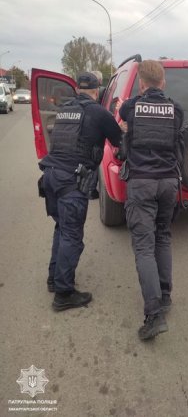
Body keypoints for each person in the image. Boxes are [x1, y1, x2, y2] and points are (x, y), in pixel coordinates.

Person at [39, 72, 122, 311]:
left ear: (77, 90)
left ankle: (54, 279)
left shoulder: (65, 109)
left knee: (61, 228)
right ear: (97, 92)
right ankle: (64, 294)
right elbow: (119, 140)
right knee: (72, 236)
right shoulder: (98, 112)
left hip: (51, 176)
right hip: (71, 180)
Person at [119, 60, 184, 341]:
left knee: (144, 247)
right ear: (164, 82)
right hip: (169, 182)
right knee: (163, 237)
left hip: (142, 182)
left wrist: (138, 96)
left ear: (141, 84)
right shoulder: (176, 109)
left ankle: (154, 314)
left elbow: (123, 115)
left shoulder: (130, 107)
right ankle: (165, 295)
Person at [88, 70, 105, 199]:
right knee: (95, 159)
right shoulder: (103, 91)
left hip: (88, 129)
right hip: (98, 128)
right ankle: (91, 189)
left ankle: (90, 188)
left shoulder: (84, 95)